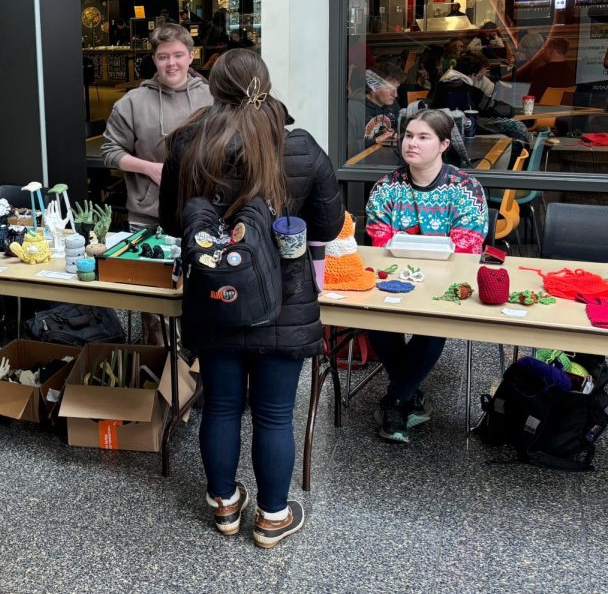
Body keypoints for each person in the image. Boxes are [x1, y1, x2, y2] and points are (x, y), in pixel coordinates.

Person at [159, 49, 344, 549]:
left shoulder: (187, 144)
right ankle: (272, 517)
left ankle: (223, 506)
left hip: (213, 296)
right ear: (264, 85)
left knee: (218, 407)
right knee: (274, 414)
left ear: (212, 88)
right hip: (286, 303)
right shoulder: (300, 146)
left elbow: (173, 224)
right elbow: (328, 225)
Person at [364, 109, 488, 444]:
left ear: (444, 144)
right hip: (394, 279)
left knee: (434, 322)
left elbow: (467, 250)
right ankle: (407, 393)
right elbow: (379, 242)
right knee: (371, 316)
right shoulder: (385, 187)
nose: (411, 144)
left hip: (445, 285)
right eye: (408, 136)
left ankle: (396, 400)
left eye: (423, 137)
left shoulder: (466, 189)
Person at [101, 24, 213, 229]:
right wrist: (150, 169)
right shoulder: (131, 103)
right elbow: (110, 152)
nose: (171, 63)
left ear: (191, 56)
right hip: (148, 217)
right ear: (154, 60)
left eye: (178, 55)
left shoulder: (212, 99)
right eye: (163, 57)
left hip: (204, 212)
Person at [428, 51, 531, 144]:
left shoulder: (441, 84)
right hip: (465, 131)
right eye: (480, 77)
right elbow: (493, 110)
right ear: (472, 75)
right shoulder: (470, 90)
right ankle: (523, 160)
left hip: (441, 129)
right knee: (517, 127)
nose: (481, 80)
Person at [347, 62, 404, 151]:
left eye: (396, 88)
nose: (395, 94)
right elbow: (346, 147)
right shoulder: (352, 109)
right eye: (389, 88)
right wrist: (375, 140)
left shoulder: (393, 104)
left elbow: (399, 129)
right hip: (361, 163)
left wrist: (395, 134)